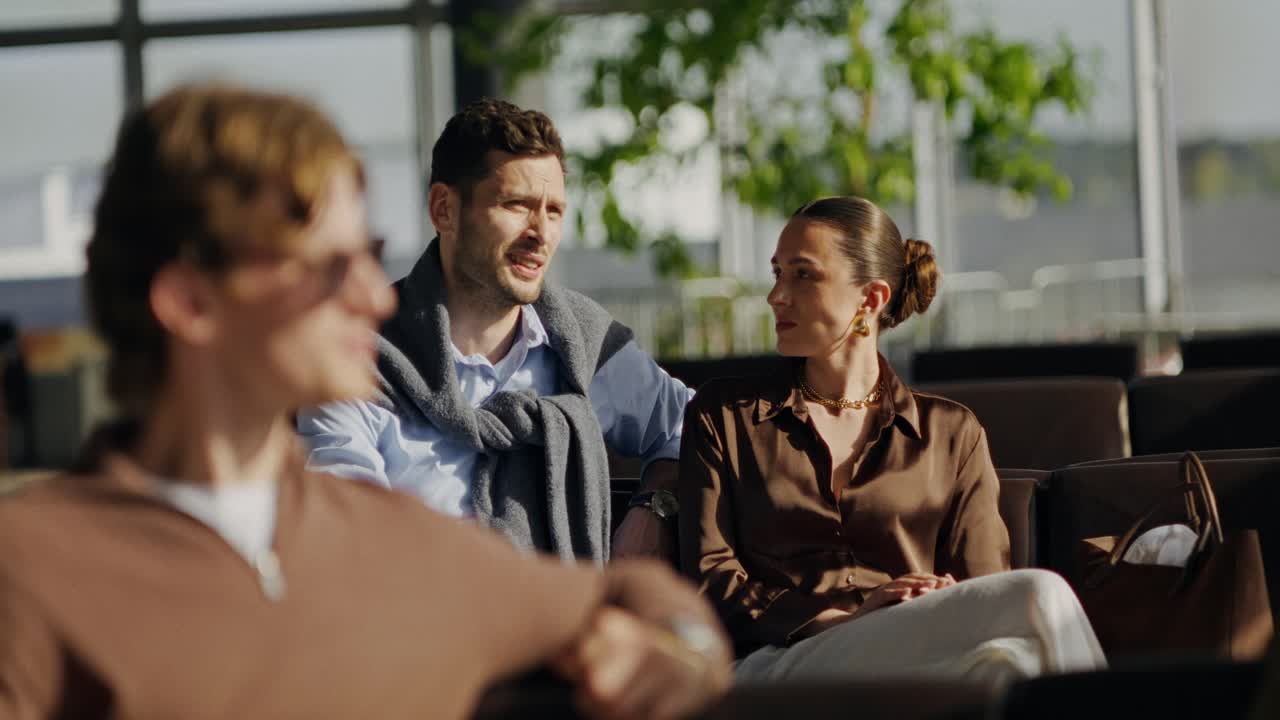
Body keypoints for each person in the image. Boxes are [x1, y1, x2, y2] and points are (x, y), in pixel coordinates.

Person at [0, 84, 732, 719]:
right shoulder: (29, 573)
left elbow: (637, 598)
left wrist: (685, 653)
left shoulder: (388, 539)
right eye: (328, 266)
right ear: (190, 301)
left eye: (369, 256)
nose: (375, 297)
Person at [678, 196, 1107, 686]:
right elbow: (711, 577)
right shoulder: (725, 415)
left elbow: (984, 588)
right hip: (780, 663)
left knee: (1009, 664)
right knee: (1041, 596)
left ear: (871, 299)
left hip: (915, 659)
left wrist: (936, 596)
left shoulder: (950, 433)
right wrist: (843, 621)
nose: (777, 295)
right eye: (778, 274)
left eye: (802, 275)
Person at [297, 98, 690, 563]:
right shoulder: (357, 357)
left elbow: (695, 426)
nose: (541, 234)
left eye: (554, 211)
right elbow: (346, 533)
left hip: (571, 606)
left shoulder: (582, 343)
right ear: (444, 209)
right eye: (517, 205)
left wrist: (656, 508)